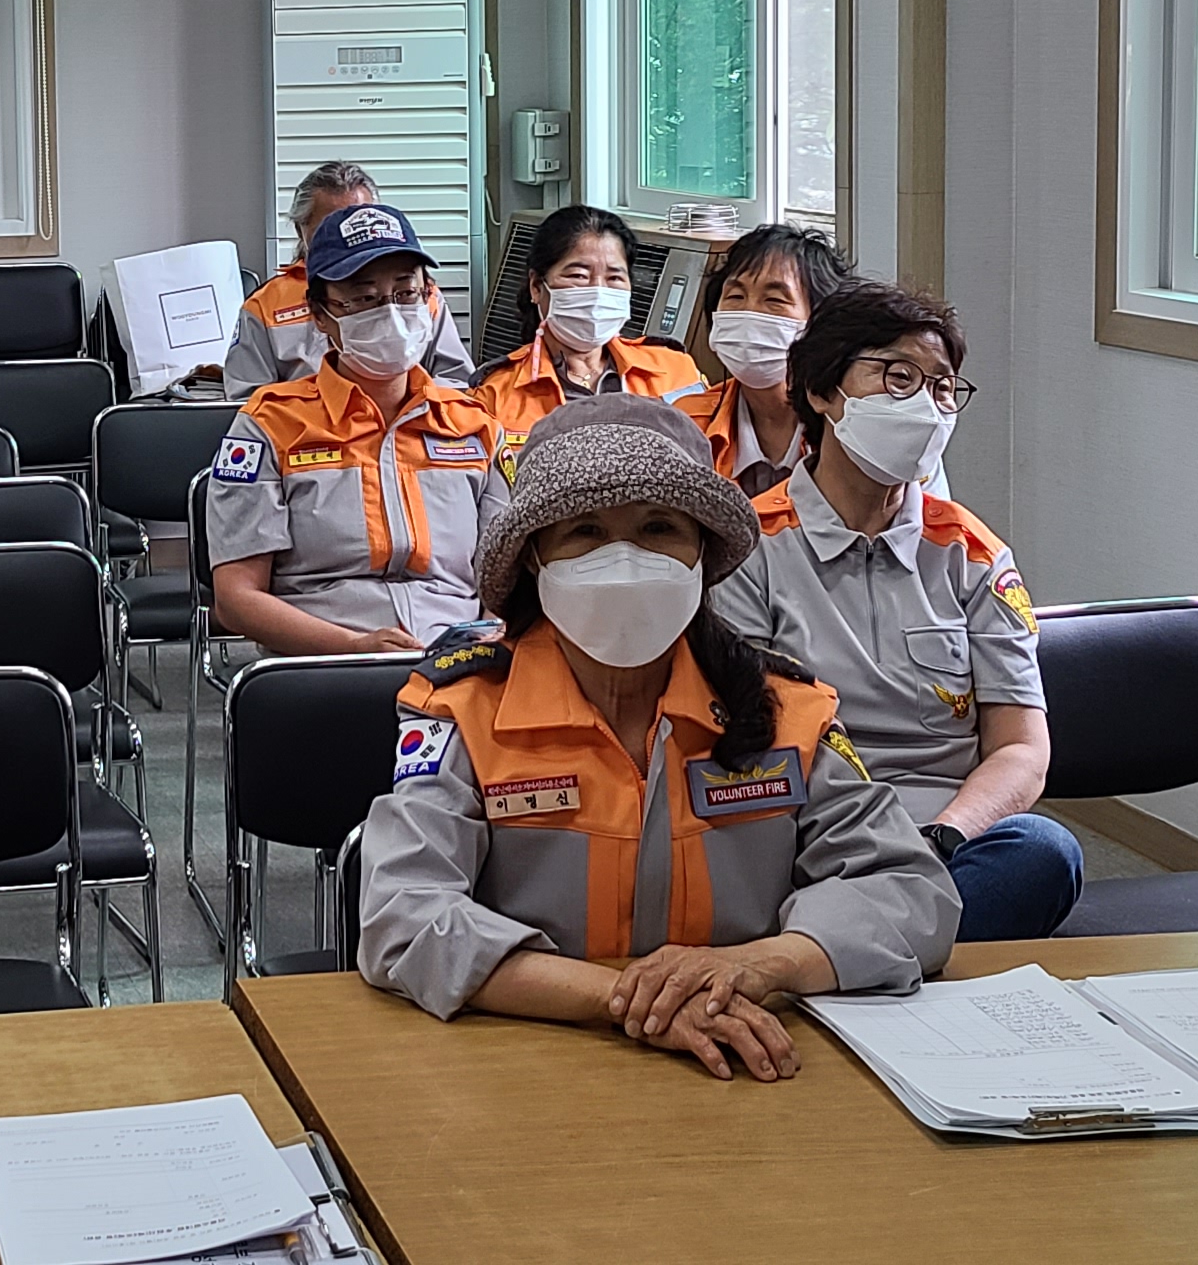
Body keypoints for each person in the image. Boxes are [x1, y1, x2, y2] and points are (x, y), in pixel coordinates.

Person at [359, 397, 956, 1074]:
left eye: (658, 527)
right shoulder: (465, 709)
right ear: (533, 558)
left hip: (746, 1059)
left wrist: (759, 965)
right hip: (523, 1059)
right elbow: (403, 916)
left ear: (702, 551)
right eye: (585, 531)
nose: (625, 559)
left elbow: (913, 892)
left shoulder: (785, 713)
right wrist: (627, 1000)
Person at [712, 284, 1072, 942]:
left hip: (946, 839)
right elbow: (750, 739)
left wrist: (945, 836)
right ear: (822, 392)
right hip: (811, 829)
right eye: (899, 378)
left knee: (1044, 851)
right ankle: (884, 944)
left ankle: (841, 950)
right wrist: (862, 851)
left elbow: (1022, 749)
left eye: (943, 388)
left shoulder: (973, 555)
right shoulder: (750, 547)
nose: (927, 407)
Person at [203, 201, 510, 656]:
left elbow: (506, 579)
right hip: (329, 661)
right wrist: (355, 646)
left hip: (457, 658)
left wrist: (488, 638)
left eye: (406, 292)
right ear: (321, 315)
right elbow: (236, 599)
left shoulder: (475, 426)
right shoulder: (269, 425)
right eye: (364, 299)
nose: (390, 312)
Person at [468, 204, 719, 462]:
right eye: (579, 275)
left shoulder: (675, 370)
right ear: (536, 287)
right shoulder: (496, 394)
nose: (598, 291)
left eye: (614, 278)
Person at [220, 160, 474, 395]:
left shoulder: (423, 294)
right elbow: (247, 400)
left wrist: (408, 410)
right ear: (301, 229)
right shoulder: (265, 305)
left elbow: (457, 382)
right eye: (332, 226)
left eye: (362, 220)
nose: (349, 235)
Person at [688, 224, 862, 497]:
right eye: (735, 296)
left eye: (774, 300)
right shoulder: (686, 425)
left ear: (820, 321)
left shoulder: (853, 429)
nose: (749, 312)